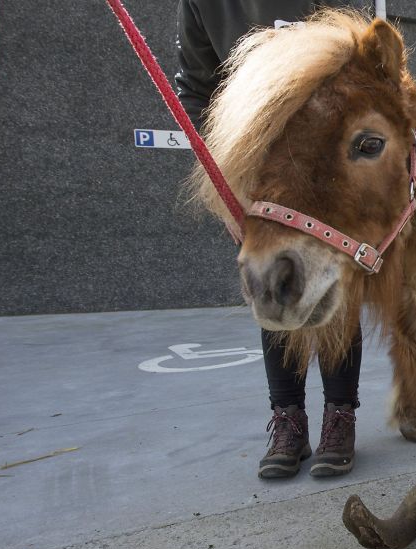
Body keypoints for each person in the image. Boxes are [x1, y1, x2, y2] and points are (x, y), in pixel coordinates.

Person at [174, 0, 370, 479]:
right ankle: (288, 420)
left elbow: (361, 76)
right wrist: (223, 184)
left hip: (325, 175)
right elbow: (198, 91)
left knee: (334, 294)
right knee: (272, 288)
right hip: (256, 176)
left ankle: (339, 416)